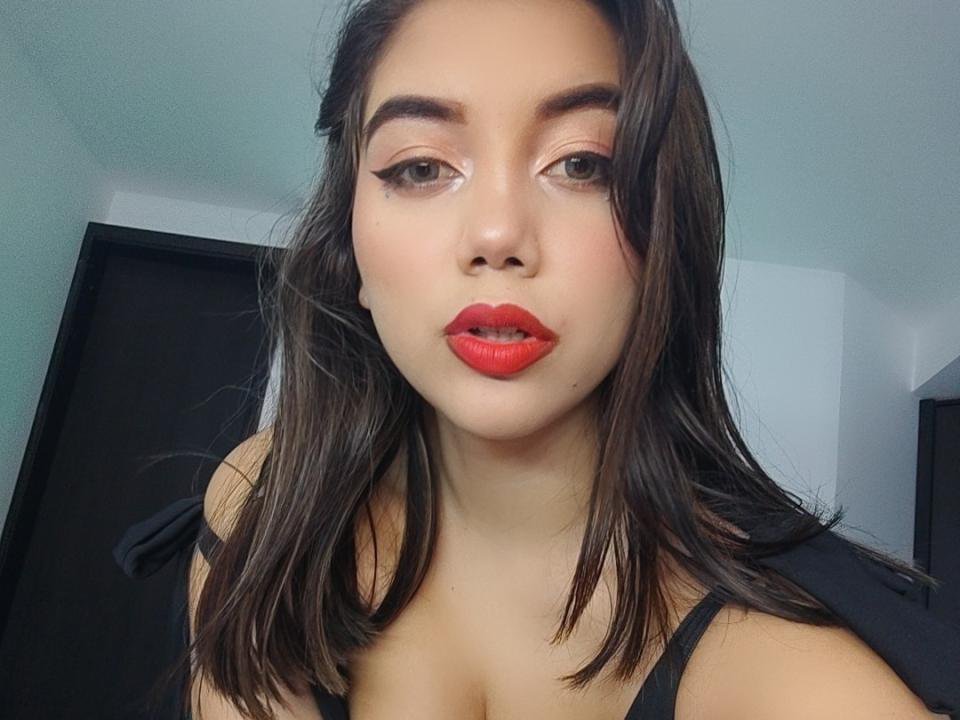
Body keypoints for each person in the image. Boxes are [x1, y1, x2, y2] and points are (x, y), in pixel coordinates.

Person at [117, 0, 959, 718]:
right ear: (353, 256)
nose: (497, 234)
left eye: (582, 164)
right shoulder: (264, 501)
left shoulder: (792, 669)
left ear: (662, 244)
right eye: (420, 166)